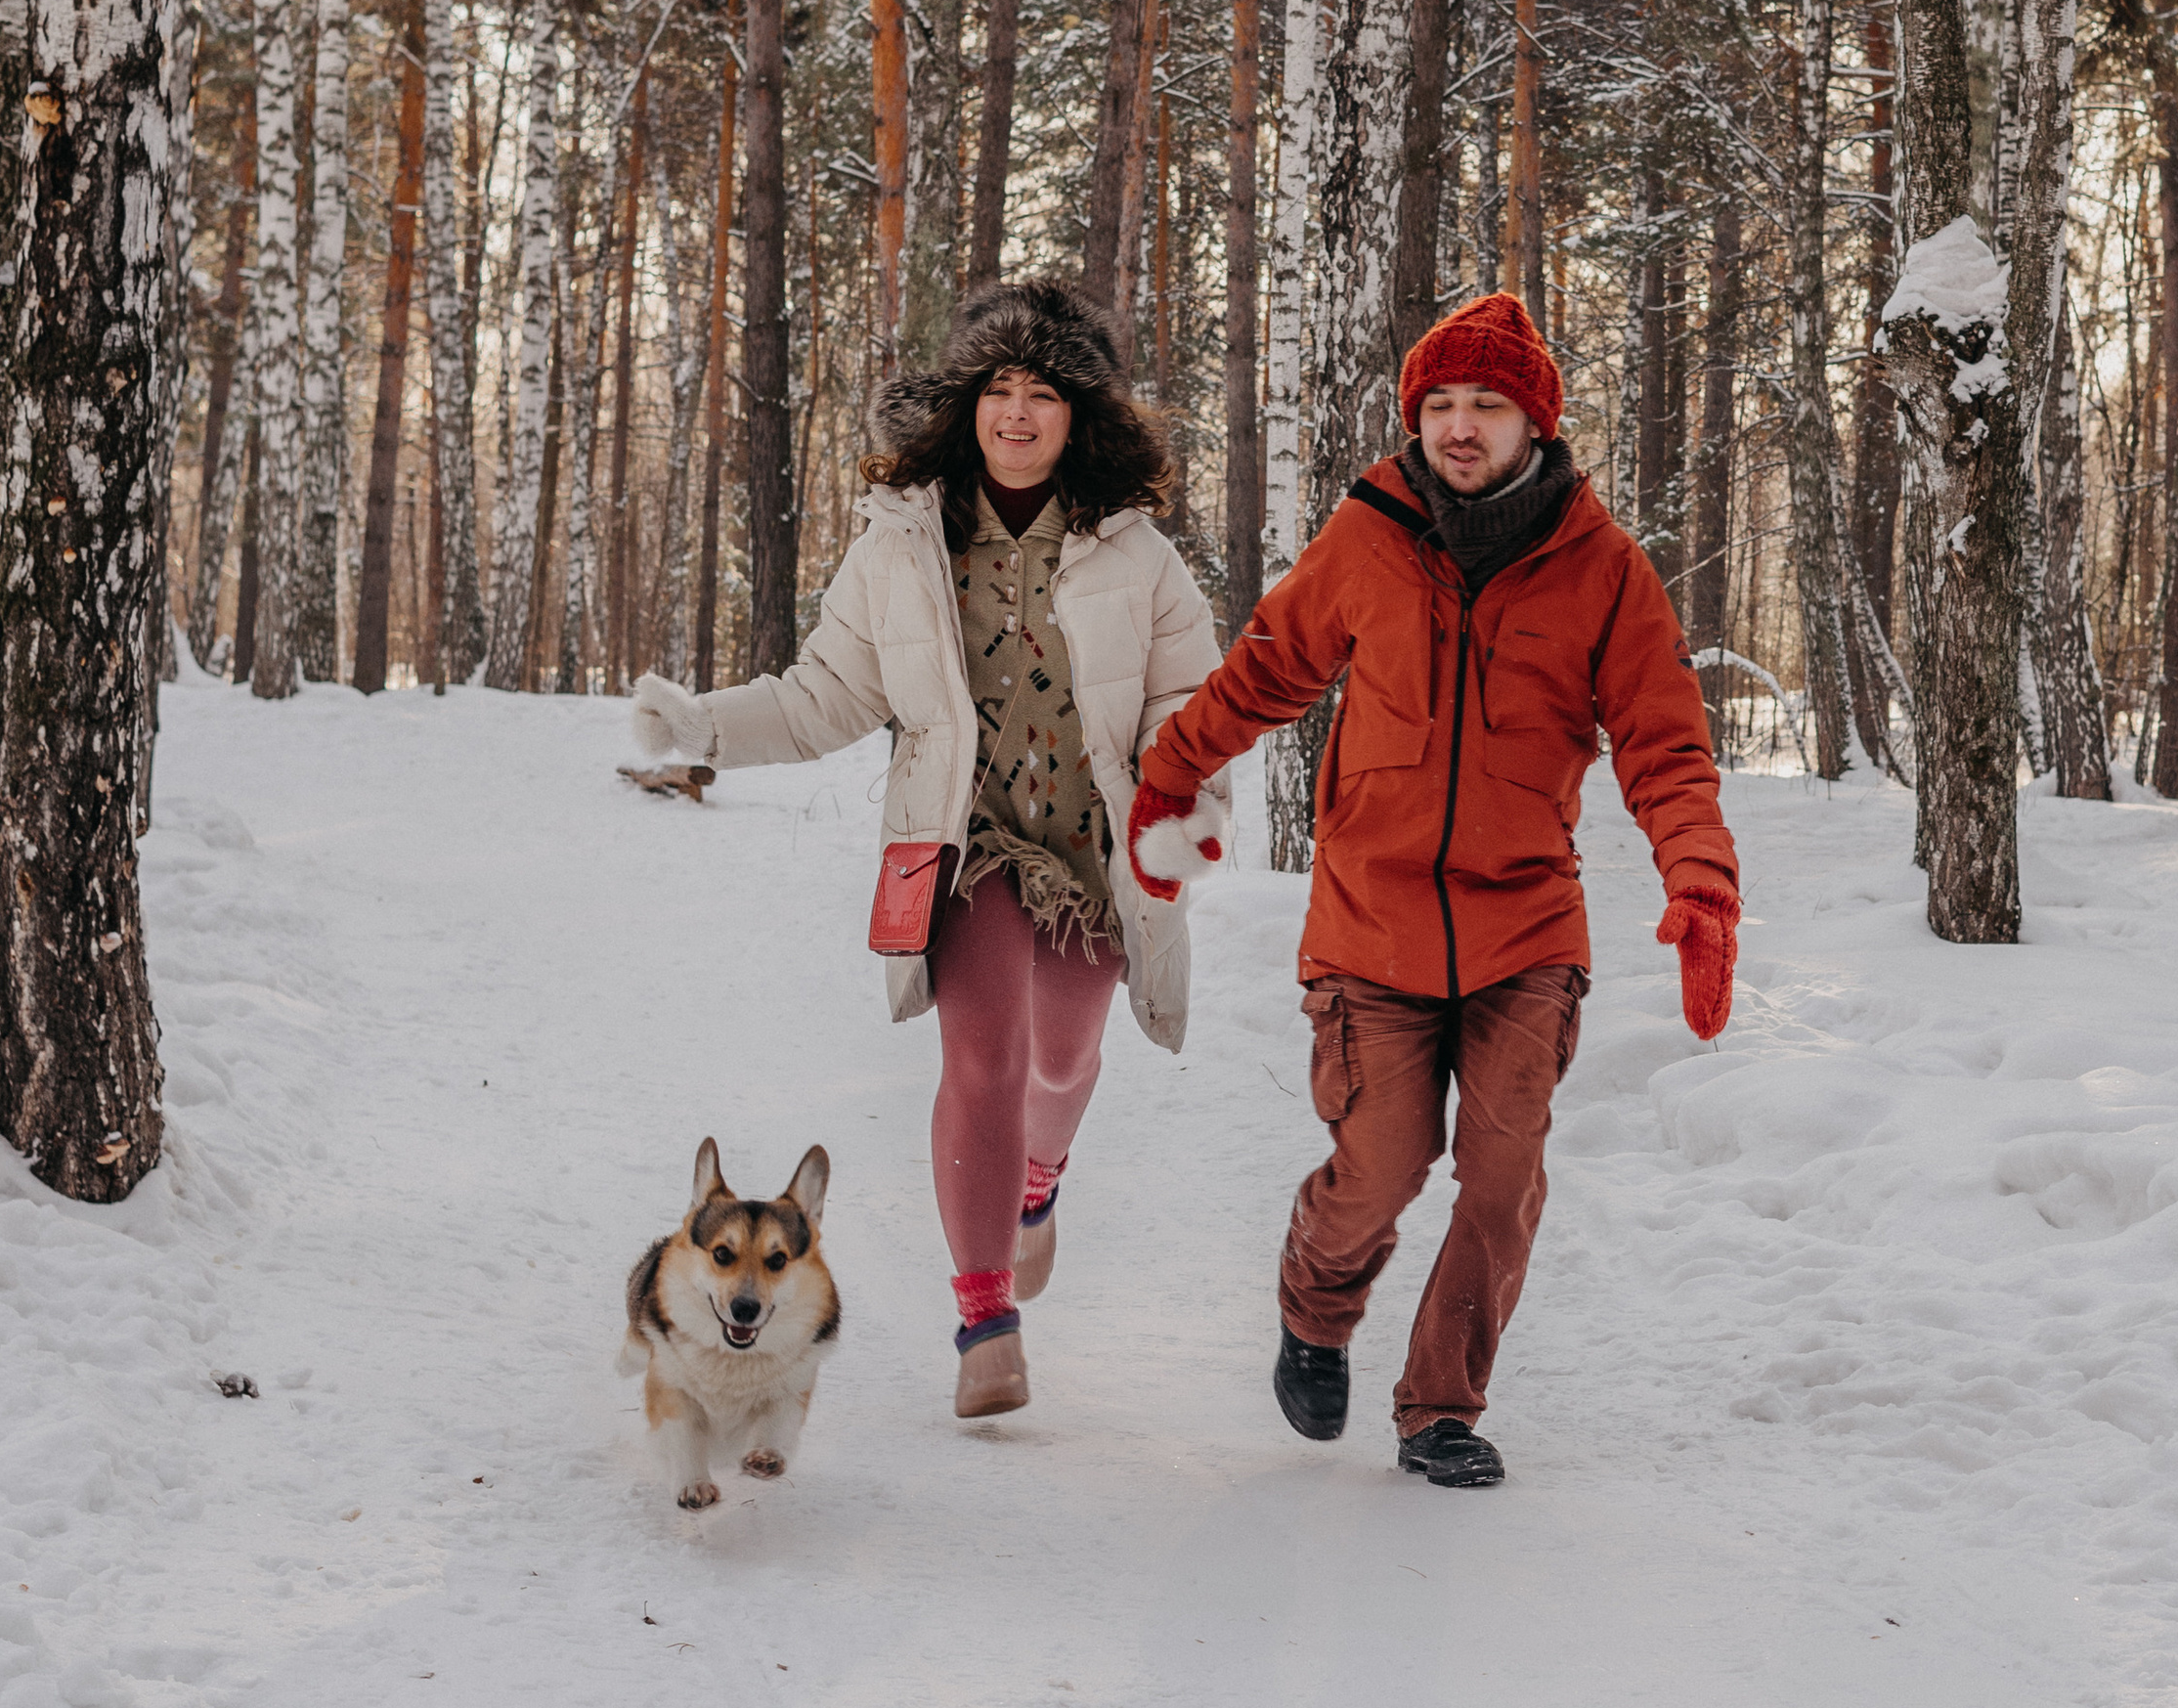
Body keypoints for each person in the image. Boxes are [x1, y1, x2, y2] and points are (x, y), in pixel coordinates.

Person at [1127, 289, 1737, 1489]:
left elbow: (1665, 744)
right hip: (1373, 920)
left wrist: (1701, 884)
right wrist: (1170, 772)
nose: (1461, 426)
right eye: (1441, 404)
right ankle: (1316, 1300)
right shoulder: (1369, 536)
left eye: (1488, 405)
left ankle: (1439, 1407)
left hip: (1525, 925)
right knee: (1384, 1162)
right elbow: (1267, 668)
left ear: (1535, 422)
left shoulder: (1603, 571)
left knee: (1503, 1181)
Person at [628, 280, 1229, 1420]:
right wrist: (706, 727)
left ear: (1078, 416)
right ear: (962, 406)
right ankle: (984, 1316)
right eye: (996, 389)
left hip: (1098, 854)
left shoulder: (1139, 555)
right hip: (970, 848)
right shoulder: (899, 548)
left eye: (1041, 393)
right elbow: (823, 697)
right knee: (987, 1059)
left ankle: (1039, 1182)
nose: (1015, 414)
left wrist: (1184, 806)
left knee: (1062, 1061)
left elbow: (1188, 702)